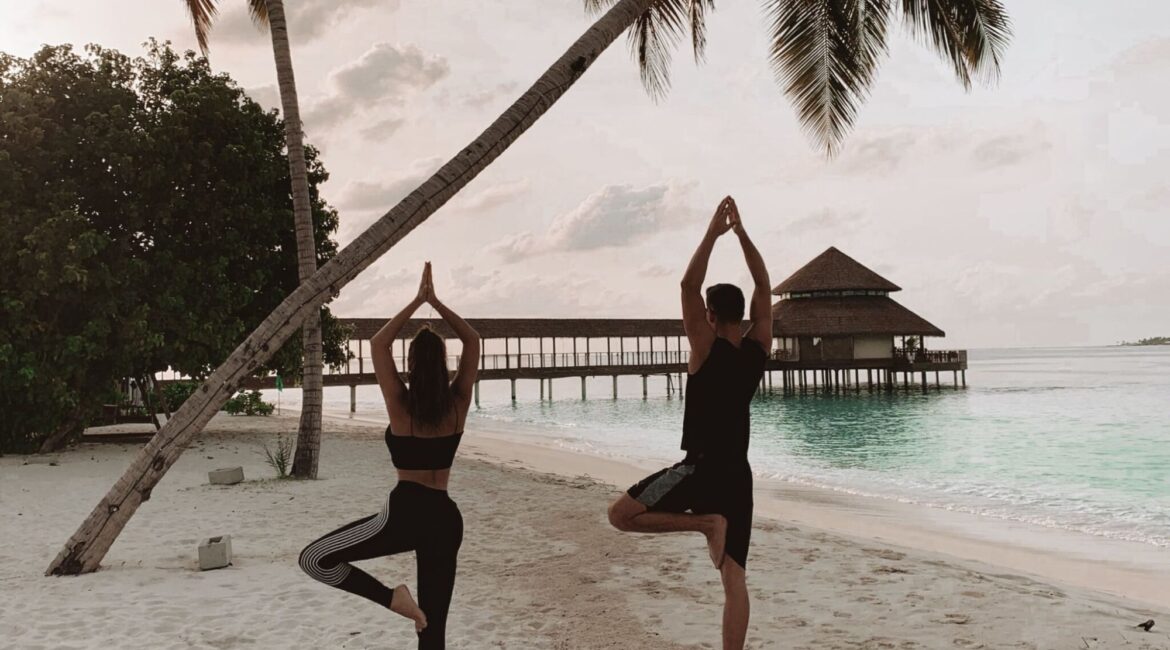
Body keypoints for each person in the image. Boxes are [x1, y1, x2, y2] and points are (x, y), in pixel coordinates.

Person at [607, 197, 772, 650]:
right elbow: (762, 283)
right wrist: (741, 234)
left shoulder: (705, 347)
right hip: (738, 476)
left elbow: (686, 285)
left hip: (697, 470)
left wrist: (713, 232)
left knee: (620, 515)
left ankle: (703, 525)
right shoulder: (757, 351)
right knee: (734, 580)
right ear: (743, 316)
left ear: (711, 316)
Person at [299, 262, 479, 650]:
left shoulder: (401, 405)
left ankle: (392, 599)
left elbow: (378, 344)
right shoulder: (458, 404)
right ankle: (406, 608)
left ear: (411, 364)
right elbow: (474, 342)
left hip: (405, 513)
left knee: (314, 559)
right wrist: (438, 304)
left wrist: (418, 302)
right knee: (433, 632)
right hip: (446, 519)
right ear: (443, 363)